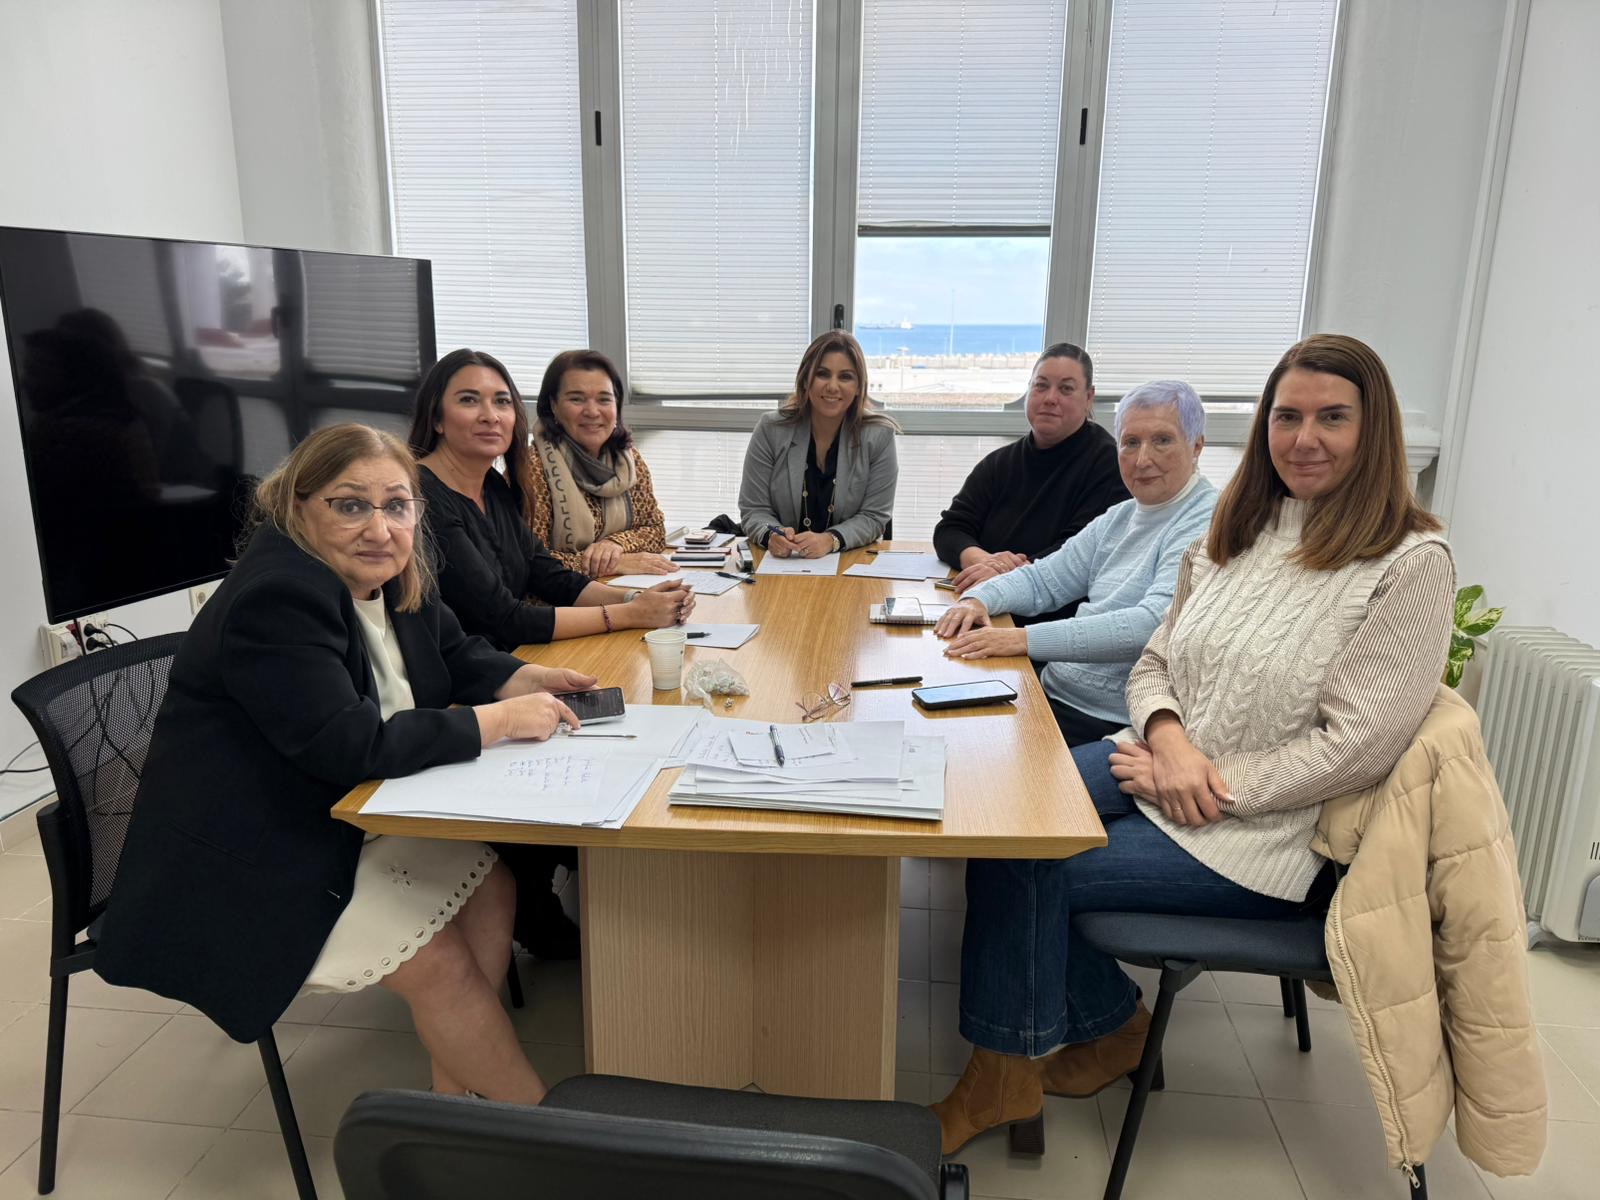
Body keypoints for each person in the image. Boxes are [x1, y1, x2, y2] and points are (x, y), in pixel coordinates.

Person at [932, 334, 1455, 1155]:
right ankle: (1112, 1029)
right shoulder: (1242, 533)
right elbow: (1156, 659)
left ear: (1376, 430)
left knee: (1029, 861)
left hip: (1267, 829)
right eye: (1287, 417)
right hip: (1160, 763)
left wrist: (1212, 781)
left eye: (1333, 418)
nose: (1304, 438)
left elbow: (1357, 746)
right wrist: (1170, 741)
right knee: (1008, 821)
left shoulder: (1411, 563)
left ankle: (1006, 1074)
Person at [95, 424, 598, 1104]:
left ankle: (456, 1112)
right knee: (439, 965)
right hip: (253, 855)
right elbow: (349, 746)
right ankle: (542, 1135)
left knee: (495, 884)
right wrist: (497, 721)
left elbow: (454, 652)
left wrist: (522, 678)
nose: (379, 528)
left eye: (396, 505)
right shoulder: (279, 596)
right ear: (298, 506)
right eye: (350, 504)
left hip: (335, 815)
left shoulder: (390, 572)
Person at [934, 380, 1218, 746]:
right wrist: (978, 600)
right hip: (1055, 690)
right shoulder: (1120, 516)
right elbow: (1043, 580)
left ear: (1197, 446)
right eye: (1130, 442)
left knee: (967, 752)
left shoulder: (1207, 519)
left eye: (1162, 440)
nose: (1142, 459)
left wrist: (1022, 639)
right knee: (940, 727)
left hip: (1114, 720)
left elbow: (1151, 625)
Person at [409, 348, 693, 648]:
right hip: (473, 668)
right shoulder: (421, 496)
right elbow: (503, 618)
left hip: (511, 655)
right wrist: (631, 613)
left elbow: (546, 573)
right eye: (468, 400)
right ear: (436, 418)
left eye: (502, 401)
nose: (490, 416)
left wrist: (636, 598)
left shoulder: (491, 485)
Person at [932, 343, 1128, 621]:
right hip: (985, 602)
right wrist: (985, 561)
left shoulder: (1109, 464)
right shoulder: (1000, 462)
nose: (1050, 398)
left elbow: (1078, 553)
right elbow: (950, 529)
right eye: (1041, 386)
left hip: (1050, 622)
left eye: (1066, 389)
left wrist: (1005, 573)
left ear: (1088, 398)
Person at [738, 331, 899, 557]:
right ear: (805, 380)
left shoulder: (879, 435)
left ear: (858, 387)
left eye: (845, 377)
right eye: (822, 374)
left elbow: (874, 517)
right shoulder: (771, 429)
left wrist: (831, 540)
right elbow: (754, 509)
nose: (832, 387)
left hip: (849, 561)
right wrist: (770, 535)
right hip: (783, 562)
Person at [527, 349, 673, 577]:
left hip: (620, 587)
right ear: (553, 405)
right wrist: (612, 563)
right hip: (559, 596)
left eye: (604, 399)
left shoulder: (629, 460)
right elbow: (530, 561)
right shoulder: (531, 468)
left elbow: (655, 530)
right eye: (576, 399)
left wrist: (615, 544)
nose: (592, 412)